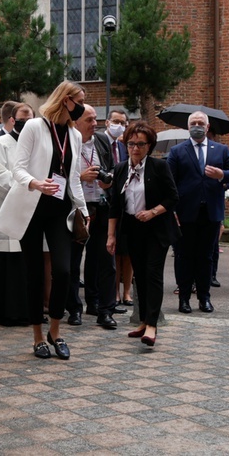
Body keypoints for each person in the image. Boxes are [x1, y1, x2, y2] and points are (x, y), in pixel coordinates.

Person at [0, 80, 89, 360]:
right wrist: (36, 183)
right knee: (34, 273)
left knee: (63, 271)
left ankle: (55, 332)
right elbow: (18, 170)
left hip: (60, 209)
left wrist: (83, 210)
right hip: (31, 208)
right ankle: (37, 337)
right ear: (66, 99)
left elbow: (72, 178)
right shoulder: (35, 126)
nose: (81, 107)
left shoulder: (74, 135)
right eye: (79, 100)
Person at [107, 123, 178, 346]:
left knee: (153, 273)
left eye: (140, 144)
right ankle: (144, 320)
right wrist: (111, 235)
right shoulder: (120, 169)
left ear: (149, 146)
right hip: (132, 228)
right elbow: (115, 205)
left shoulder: (159, 167)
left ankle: (152, 325)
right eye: (131, 144)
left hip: (156, 228)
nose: (135, 148)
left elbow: (173, 197)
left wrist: (152, 212)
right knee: (140, 275)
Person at [167, 111, 229, 314]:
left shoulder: (221, 150)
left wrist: (221, 174)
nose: (197, 125)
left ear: (207, 127)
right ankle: (183, 298)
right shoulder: (177, 151)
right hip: (185, 213)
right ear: (188, 127)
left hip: (210, 212)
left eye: (200, 123)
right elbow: (170, 181)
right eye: (193, 123)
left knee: (206, 257)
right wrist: (172, 209)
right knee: (183, 256)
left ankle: (204, 298)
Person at [66, 104, 121, 330]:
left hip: (101, 206)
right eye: (89, 120)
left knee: (105, 260)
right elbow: (58, 176)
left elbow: (110, 169)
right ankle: (74, 309)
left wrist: (107, 180)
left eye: (95, 119)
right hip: (78, 208)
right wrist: (79, 177)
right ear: (75, 122)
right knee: (72, 261)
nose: (94, 124)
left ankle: (103, 309)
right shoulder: (67, 142)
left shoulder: (101, 141)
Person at [0, 102, 34, 326]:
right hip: (5, 209)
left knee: (24, 264)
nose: (27, 121)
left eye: (31, 118)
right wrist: (27, 186)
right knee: (5, 263)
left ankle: (24, 310)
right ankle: (3, 312)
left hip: (28, 210)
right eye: (23, 117)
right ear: (12, 119)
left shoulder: (33, 145)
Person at [105, 109, 133, 305]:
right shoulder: (100, 142)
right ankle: (113, 291)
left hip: (126, 202)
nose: (119, 125)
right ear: (107, 122)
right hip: (106, 201)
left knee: (127, 251)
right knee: (112, 251)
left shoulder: (124, 145)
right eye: (116, 121)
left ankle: (127, 292)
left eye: (122, 122)